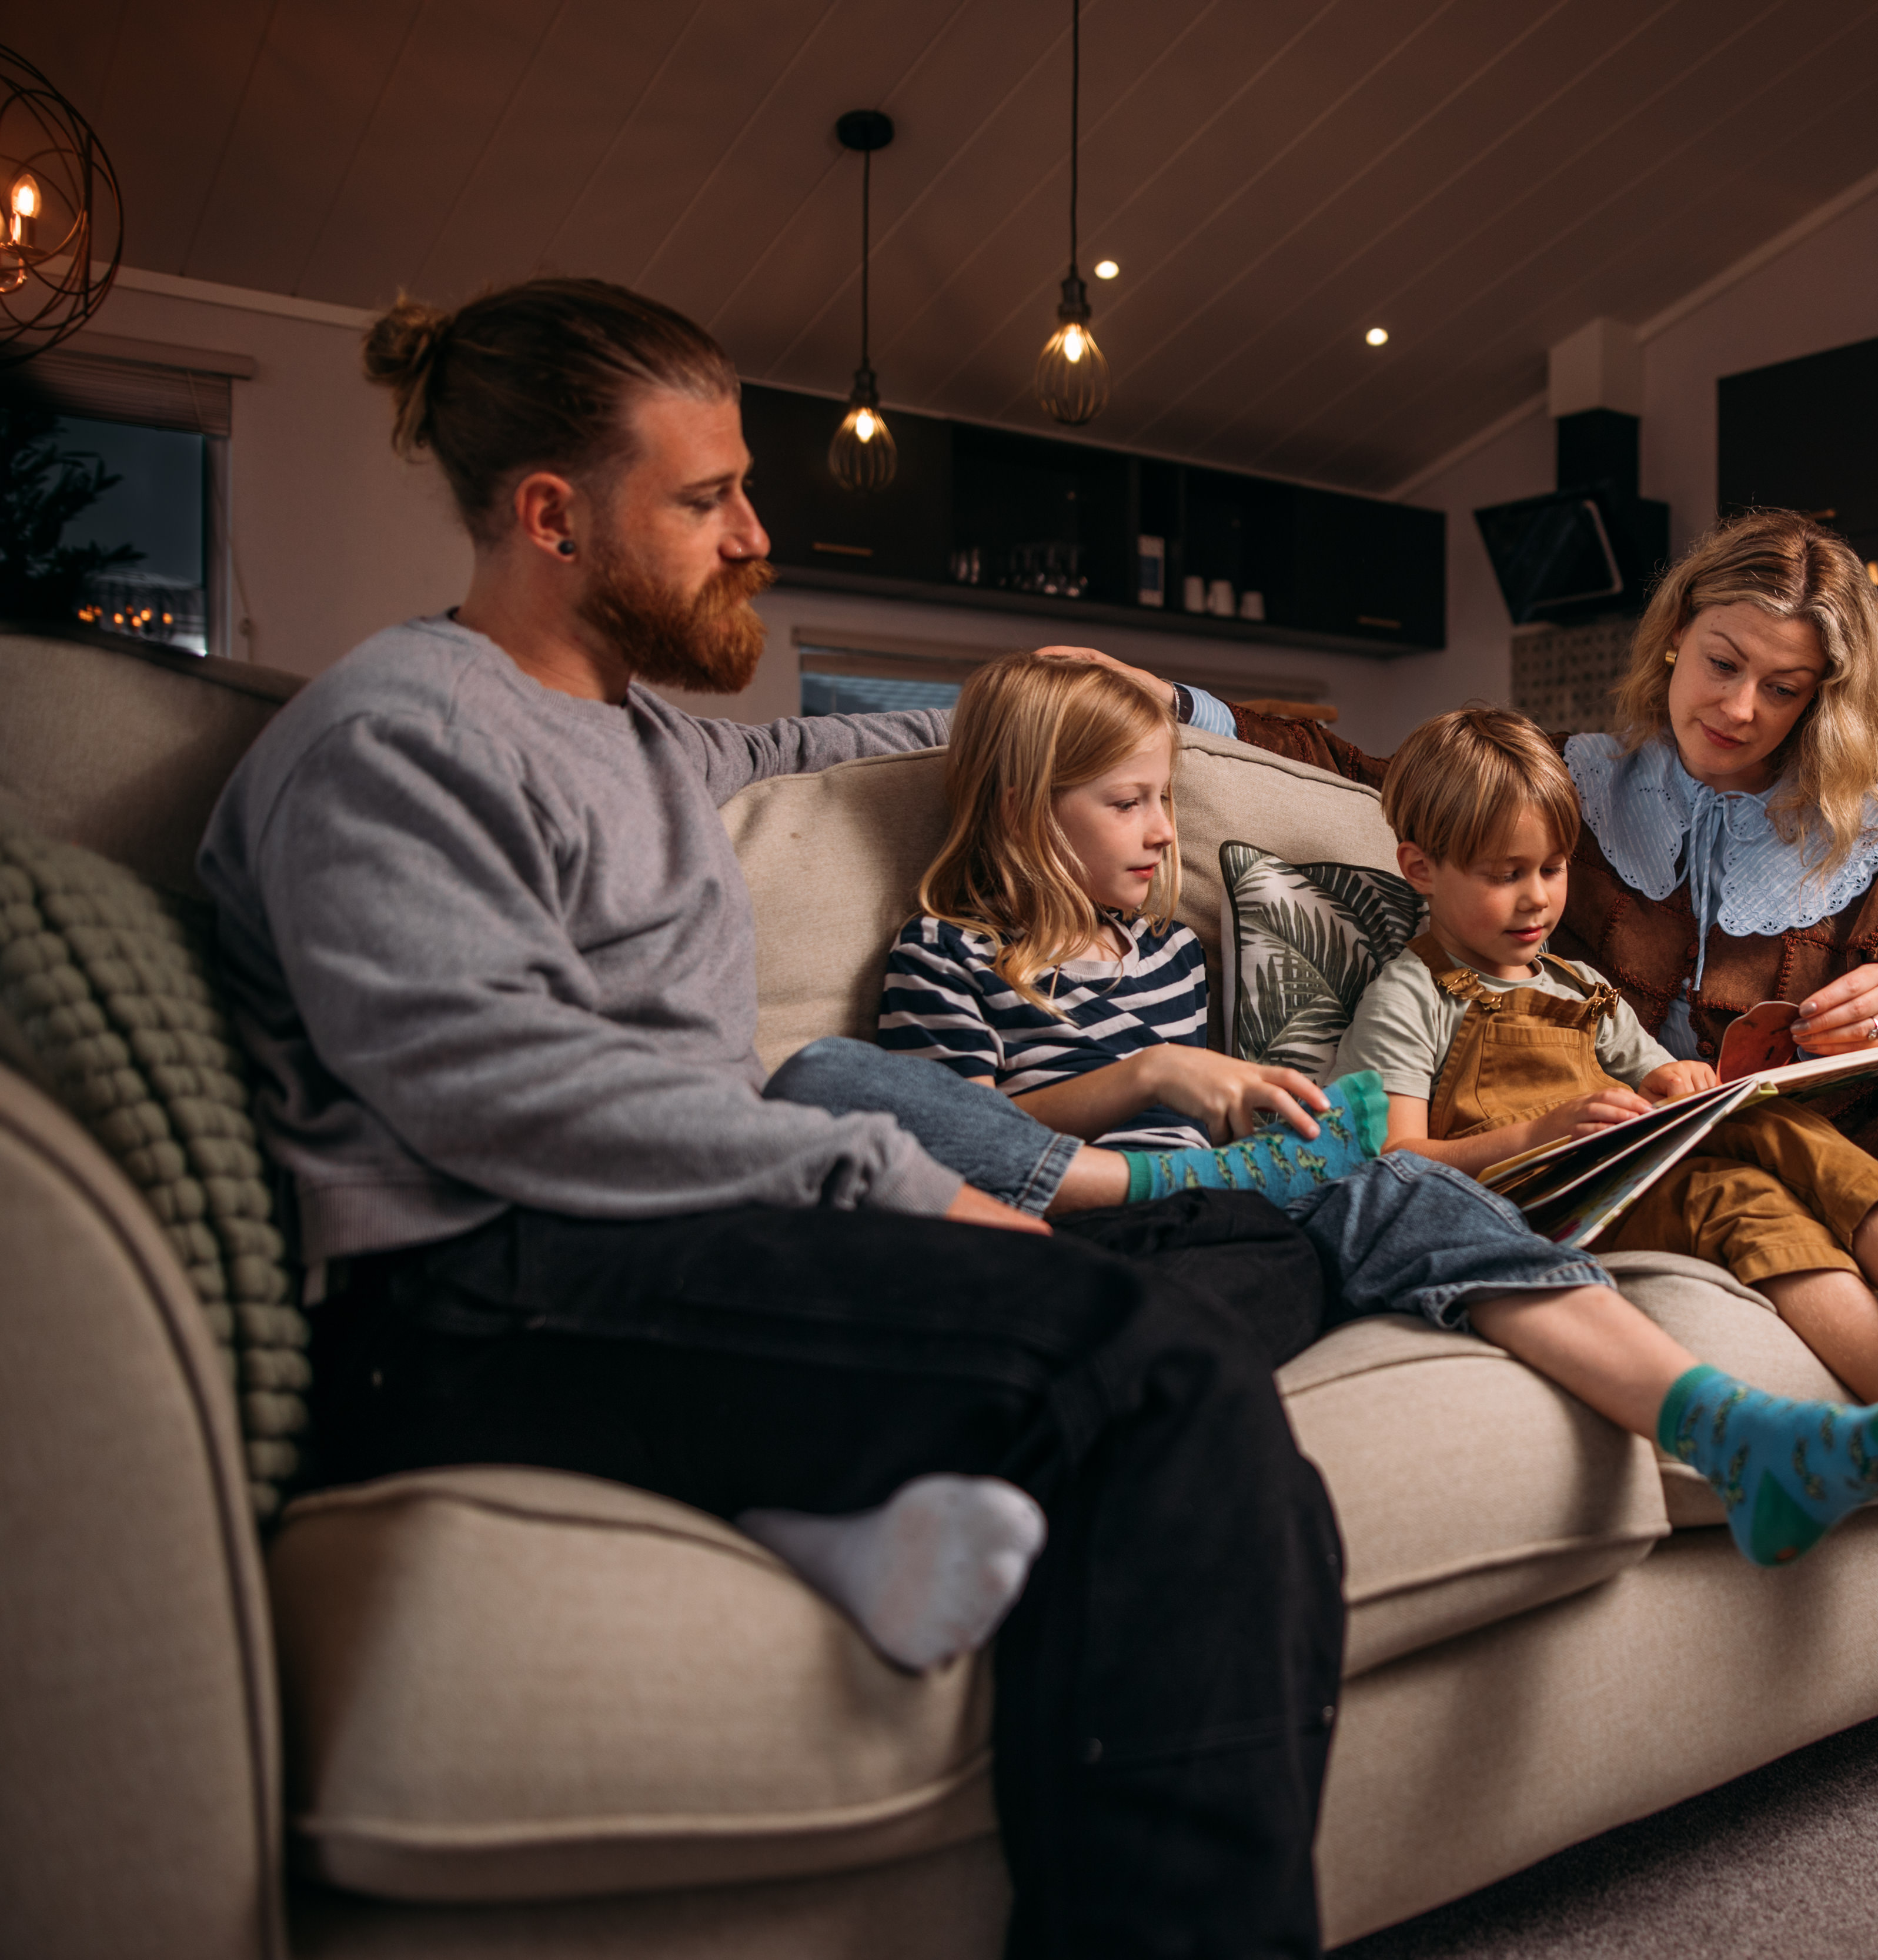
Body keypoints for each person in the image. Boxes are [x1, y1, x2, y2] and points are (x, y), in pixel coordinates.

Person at [199, 276, 1342, 1956]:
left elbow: (865, 734)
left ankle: (898, 1468)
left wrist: (1159, 713)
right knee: (1164, 1379)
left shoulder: (645, 730)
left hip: (669, 1245)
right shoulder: (397, 736)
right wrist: (883, 1177)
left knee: (1261, 1239)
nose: (756, 531)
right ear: (551, 516)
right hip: (486, 1284)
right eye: (706, 496)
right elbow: (497, 1089)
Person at [1086, 509, 1878, 1808]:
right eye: (1723, 662)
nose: (1743, 706)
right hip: (1670, 1140)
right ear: (1672, 639)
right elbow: (1367, 767)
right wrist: (1175, 698)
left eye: (1787, 686)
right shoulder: (1582, 791)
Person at [764, 648, 1878, 1571]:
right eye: (1129, 802)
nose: (1164, 829)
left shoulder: (1161, 955)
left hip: (1228, 1201)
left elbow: (1266, 1120)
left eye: (1164, 796)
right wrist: (1149, 1084)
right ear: (1025, 810)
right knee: (881, 1097)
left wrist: (1296, 1115)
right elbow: (963, 1134)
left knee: (1397, 1183)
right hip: (1082, 1220)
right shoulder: (947, 954)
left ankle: (1736, 1436)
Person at [1334, 704, 1878, 1508]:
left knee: (1763, 1117)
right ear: (1420, 868)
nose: (1537, 900)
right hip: (1538, 1202)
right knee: (1726, 1196)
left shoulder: (1579, 985)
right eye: (1505, 875)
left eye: (1553, 869)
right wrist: (1544, 1131)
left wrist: (1682, 1084)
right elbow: (1393, 1163)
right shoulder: (1411, 995)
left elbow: (1660, 1073)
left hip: (1626, 1169)